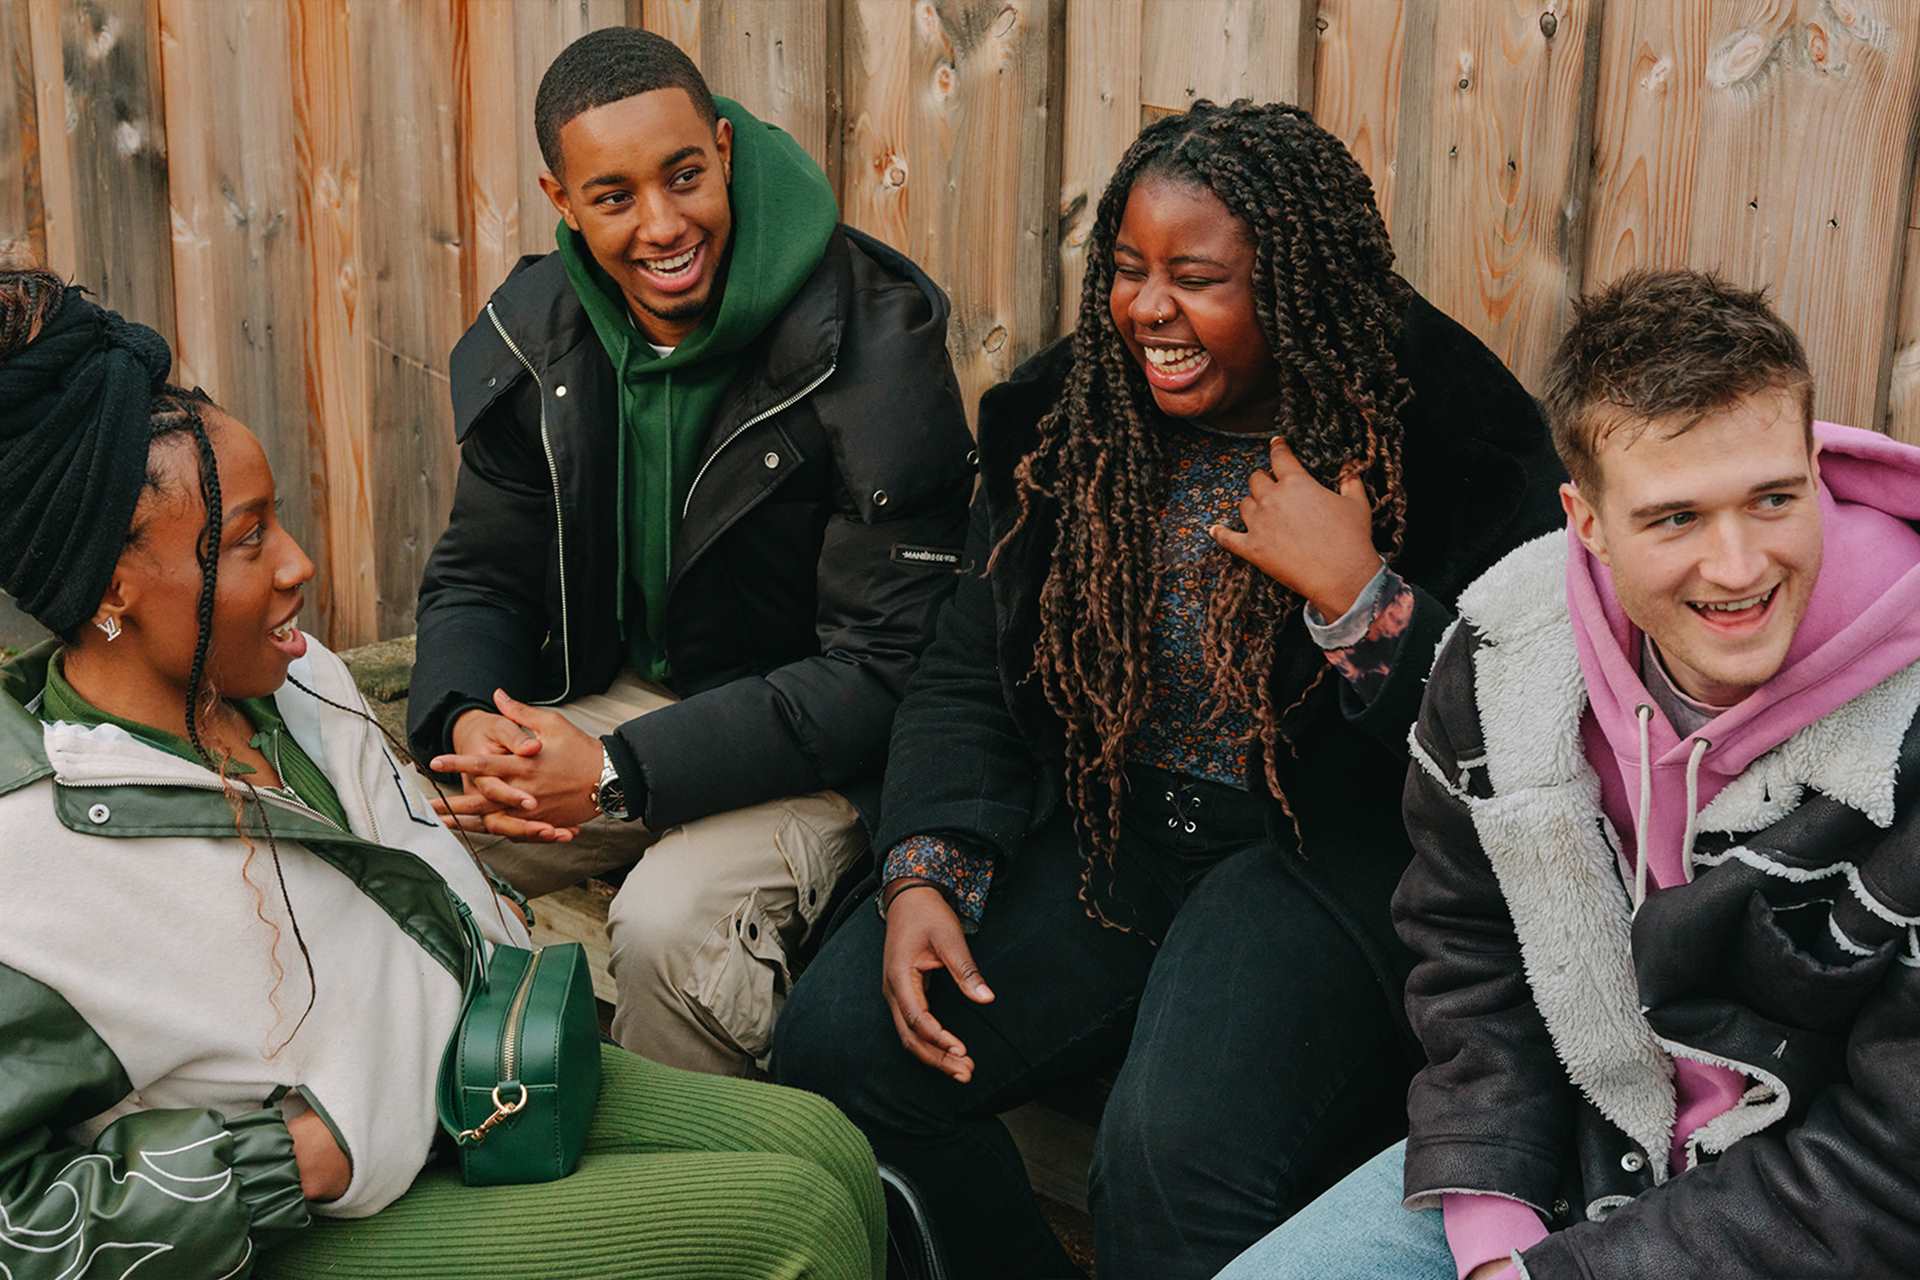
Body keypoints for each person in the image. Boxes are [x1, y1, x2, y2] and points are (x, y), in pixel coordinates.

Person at [773, 99, 1564, 1280]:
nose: (1148, 308)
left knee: (1167, 1160)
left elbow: (1524, 725)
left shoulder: (1454, 440)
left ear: (1295, 285)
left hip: (1316, 859)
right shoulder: (1066, 416)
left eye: (1196, 277)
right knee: (840, 1046)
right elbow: (970, 659)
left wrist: (1363, 599)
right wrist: (930, 856)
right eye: (1129, 269)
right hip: (1110, 823)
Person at [0, 269, 883, 1280]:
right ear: (112, 584)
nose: (297, 564)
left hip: (475, 1067)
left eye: (277, 518)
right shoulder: (30, 853)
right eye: (246, 540)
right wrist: (281, 1161)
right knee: (798, 1224)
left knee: (831, 1149)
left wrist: (422, 841)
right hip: (317, 1224)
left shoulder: (290, 685)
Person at [1216, 269, 1920, 1280]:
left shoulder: (1908, 720)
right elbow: (1474, 966)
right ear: (1585, 520)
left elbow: (1894, 1162)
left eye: (1772, 498)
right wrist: (1498, 1238)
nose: (1737, 567)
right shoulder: (1506, 659)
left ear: (1815, 468)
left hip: (1811, 1218)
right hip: (1580, 1149)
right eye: (1675, 518)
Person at [408, 28, 973, 1076]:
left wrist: (622, 772)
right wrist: (466, 717)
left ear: (721, 148)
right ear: (562, 200)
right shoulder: (542, 329)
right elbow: (481, 570)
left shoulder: (872, 343)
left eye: (684, 177)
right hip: (636, 701)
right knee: (413, 836)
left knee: (672, 927)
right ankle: (486, 1135)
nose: (663, 225)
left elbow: (887, 670)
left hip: (827, 749)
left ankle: (710, 1207)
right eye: (614, 196)